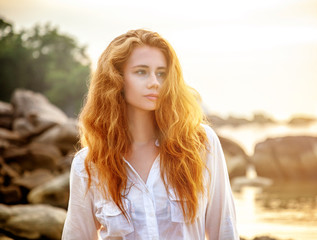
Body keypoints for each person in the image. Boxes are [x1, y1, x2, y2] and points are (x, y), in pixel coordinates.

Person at [62, 29, 238, 240]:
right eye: (141, 72)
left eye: (161, 73)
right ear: (116, 79)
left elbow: (224, 229)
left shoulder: (201, 144)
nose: (155, 82)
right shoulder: (88, 164)